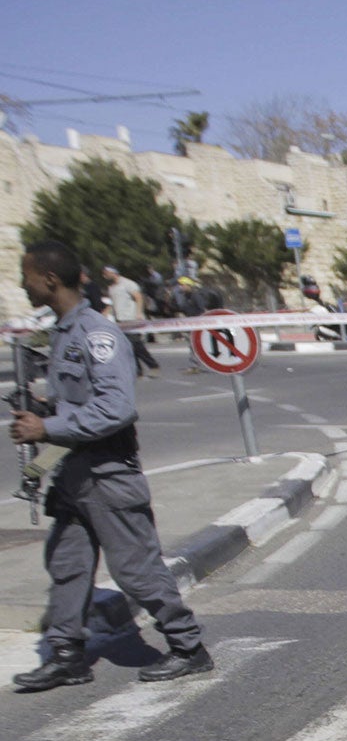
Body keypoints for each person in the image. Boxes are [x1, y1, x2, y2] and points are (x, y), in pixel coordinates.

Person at [10, 240, 211, 691]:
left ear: (49, 279)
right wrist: (42, 408)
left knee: (135, 569)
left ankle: (188, 647)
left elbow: (116, 408)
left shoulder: (96, 334)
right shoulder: (62, 331)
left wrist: (46, 429)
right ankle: (67, 656)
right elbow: (79, 399)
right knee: (67, 564)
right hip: (73, 474)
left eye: (27, 276)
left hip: (107, 474)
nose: (24, 284)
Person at [100, 266, 158, 376]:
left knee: (136, 344)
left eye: (106, 273)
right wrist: (105, 313)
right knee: (128, 346)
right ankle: (137, 370)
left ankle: (153, 365)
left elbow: (138, 297)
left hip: (131, 318)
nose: (104, 276)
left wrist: (139, 312)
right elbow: (113, 303)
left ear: (113, 272)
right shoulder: (112, 287)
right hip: (120, 320)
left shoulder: (127, 283)